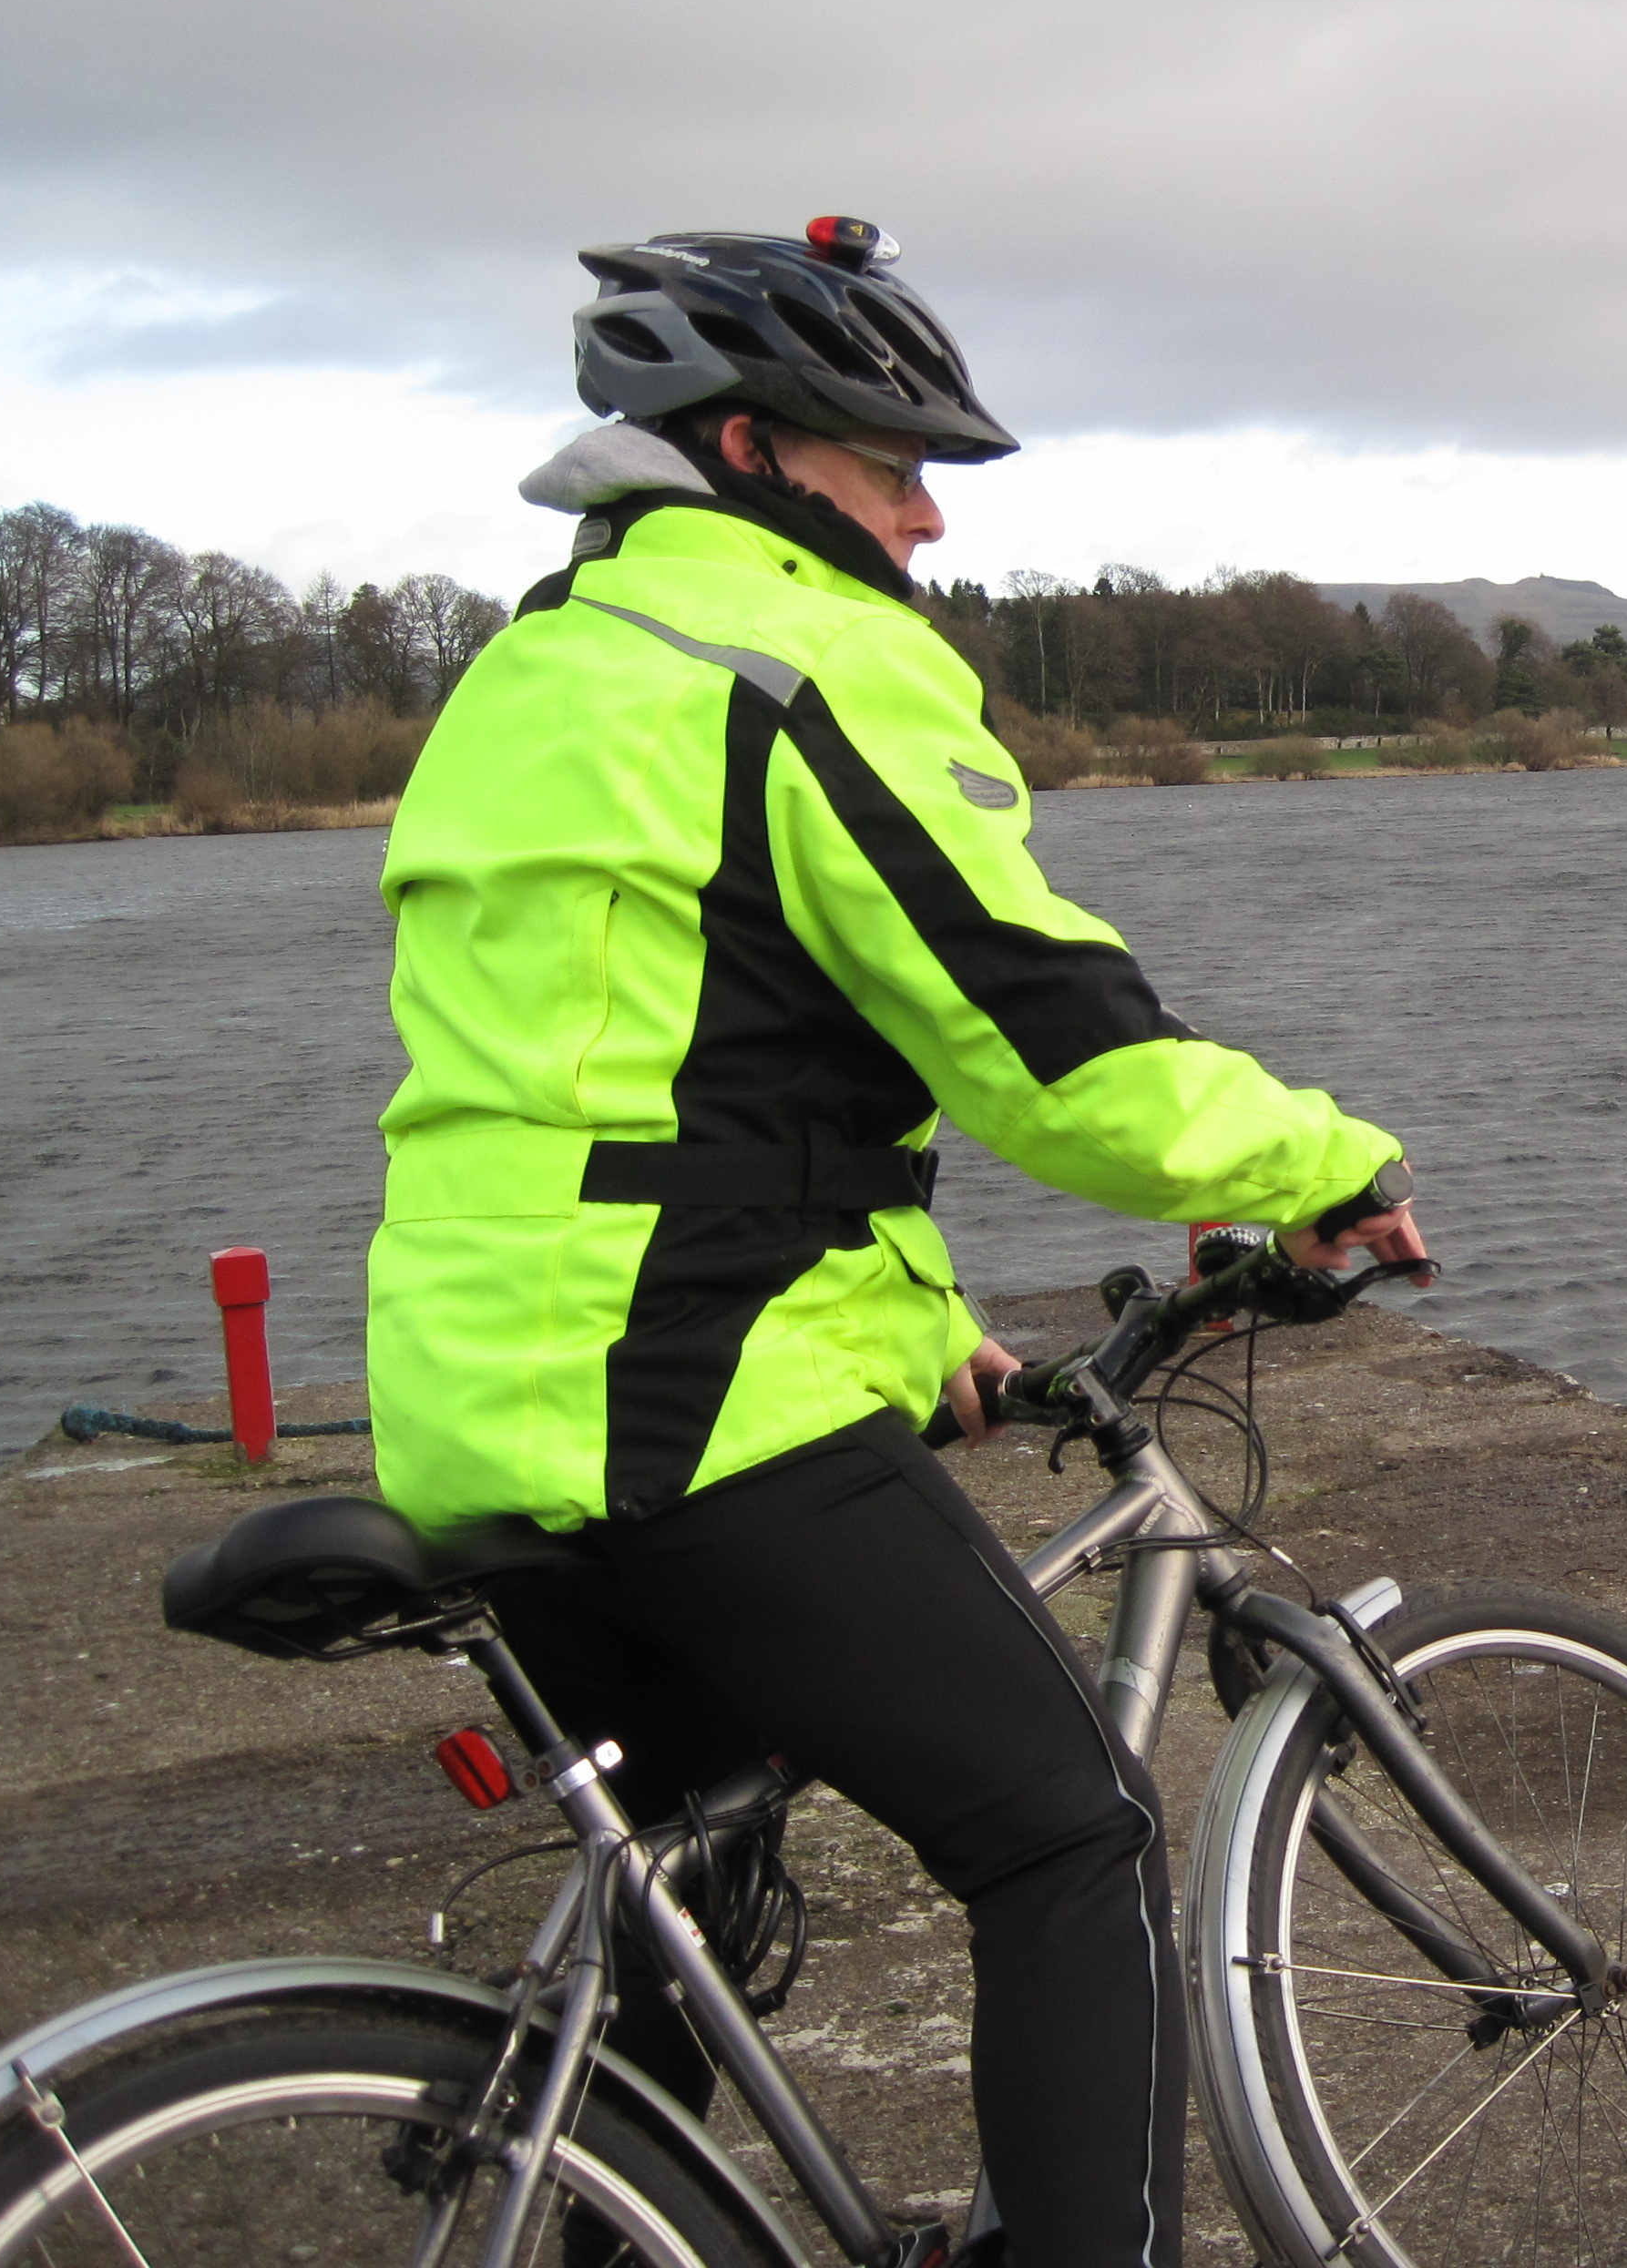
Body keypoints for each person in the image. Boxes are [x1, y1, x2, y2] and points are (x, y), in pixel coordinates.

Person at [364, 215, 1424, 2268]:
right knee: (1071, 1837)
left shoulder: (541, 666)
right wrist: (1324, 1161)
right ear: (754, 452)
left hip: (480, 1395)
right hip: (678, 1398)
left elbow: (672, 1069)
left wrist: (916, 1315)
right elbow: (1048, 1044)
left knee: (681, 1889)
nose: (932, 521)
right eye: (895, 467)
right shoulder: (803, 658)